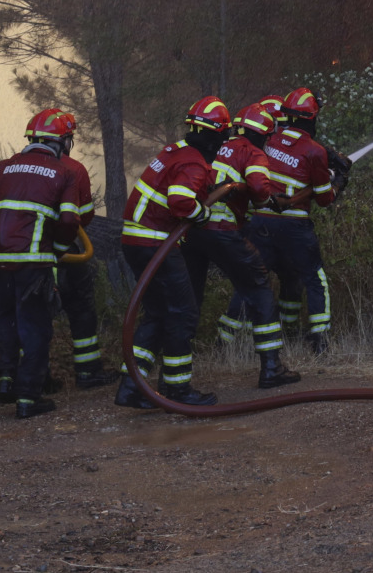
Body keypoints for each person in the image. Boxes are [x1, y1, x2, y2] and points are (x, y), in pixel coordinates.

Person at [0, 119, 83, 420]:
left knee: (8, 321)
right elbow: (68, 221)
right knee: (35, 326)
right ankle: (28, 397)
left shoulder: (4, 167)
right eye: (69, 140)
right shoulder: (64, 172)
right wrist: (60, 251)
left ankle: (6, 382)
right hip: (33, 262)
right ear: (60, 142)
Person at [116, 98, 229, 408]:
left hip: (138, 242)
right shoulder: (192, 161)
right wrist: (204, 215)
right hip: (155, 243)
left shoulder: (176, 151)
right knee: (183, 313)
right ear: (216, 134)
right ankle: (178, 390)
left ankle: (131, 387)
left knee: (158, 313)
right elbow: (180, 200)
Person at [183, 103, 300, 388]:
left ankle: (171, 371)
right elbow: (259, 188)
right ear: (262, 134)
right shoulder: (252, 151)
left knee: (188, 297)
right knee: (259, 286)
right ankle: (271, 367)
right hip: (220, 228)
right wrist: (266, 200)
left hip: (190, 230)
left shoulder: (218, 145)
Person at [33, 109, 120, 390]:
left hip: (25, 251)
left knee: (32, 314)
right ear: (64, 141)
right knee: (81, 308)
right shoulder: (74, 169)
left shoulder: (15, 167)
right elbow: (84, 215)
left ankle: (33, 377)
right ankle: (87, 372)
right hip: (65, 249)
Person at [251, 87, 338, 354]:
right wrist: (335, 182)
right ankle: (320, 339)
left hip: (260, 223)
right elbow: (325, 199)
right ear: (311, 118)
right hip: (294, 225)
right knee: (314, 278)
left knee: (257, 280)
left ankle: (229, 340)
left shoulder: (269, 140)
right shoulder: (314, 150)